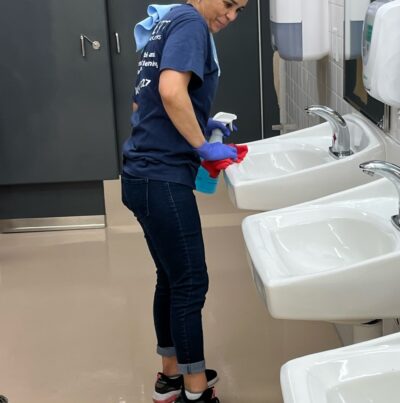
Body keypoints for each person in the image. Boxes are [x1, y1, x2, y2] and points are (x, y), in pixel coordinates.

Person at [120, 1, 248, 402]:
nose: (229, 16)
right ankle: (196, 392)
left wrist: (197, 120)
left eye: (239, 9)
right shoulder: (191, 23)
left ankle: (170, 378)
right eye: (228, 3)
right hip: (161, 178)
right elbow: (171, 91)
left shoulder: (170, 20)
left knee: (171, 279)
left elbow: (142, 105)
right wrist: (201, 146)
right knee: (191, 283)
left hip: (139, 172)